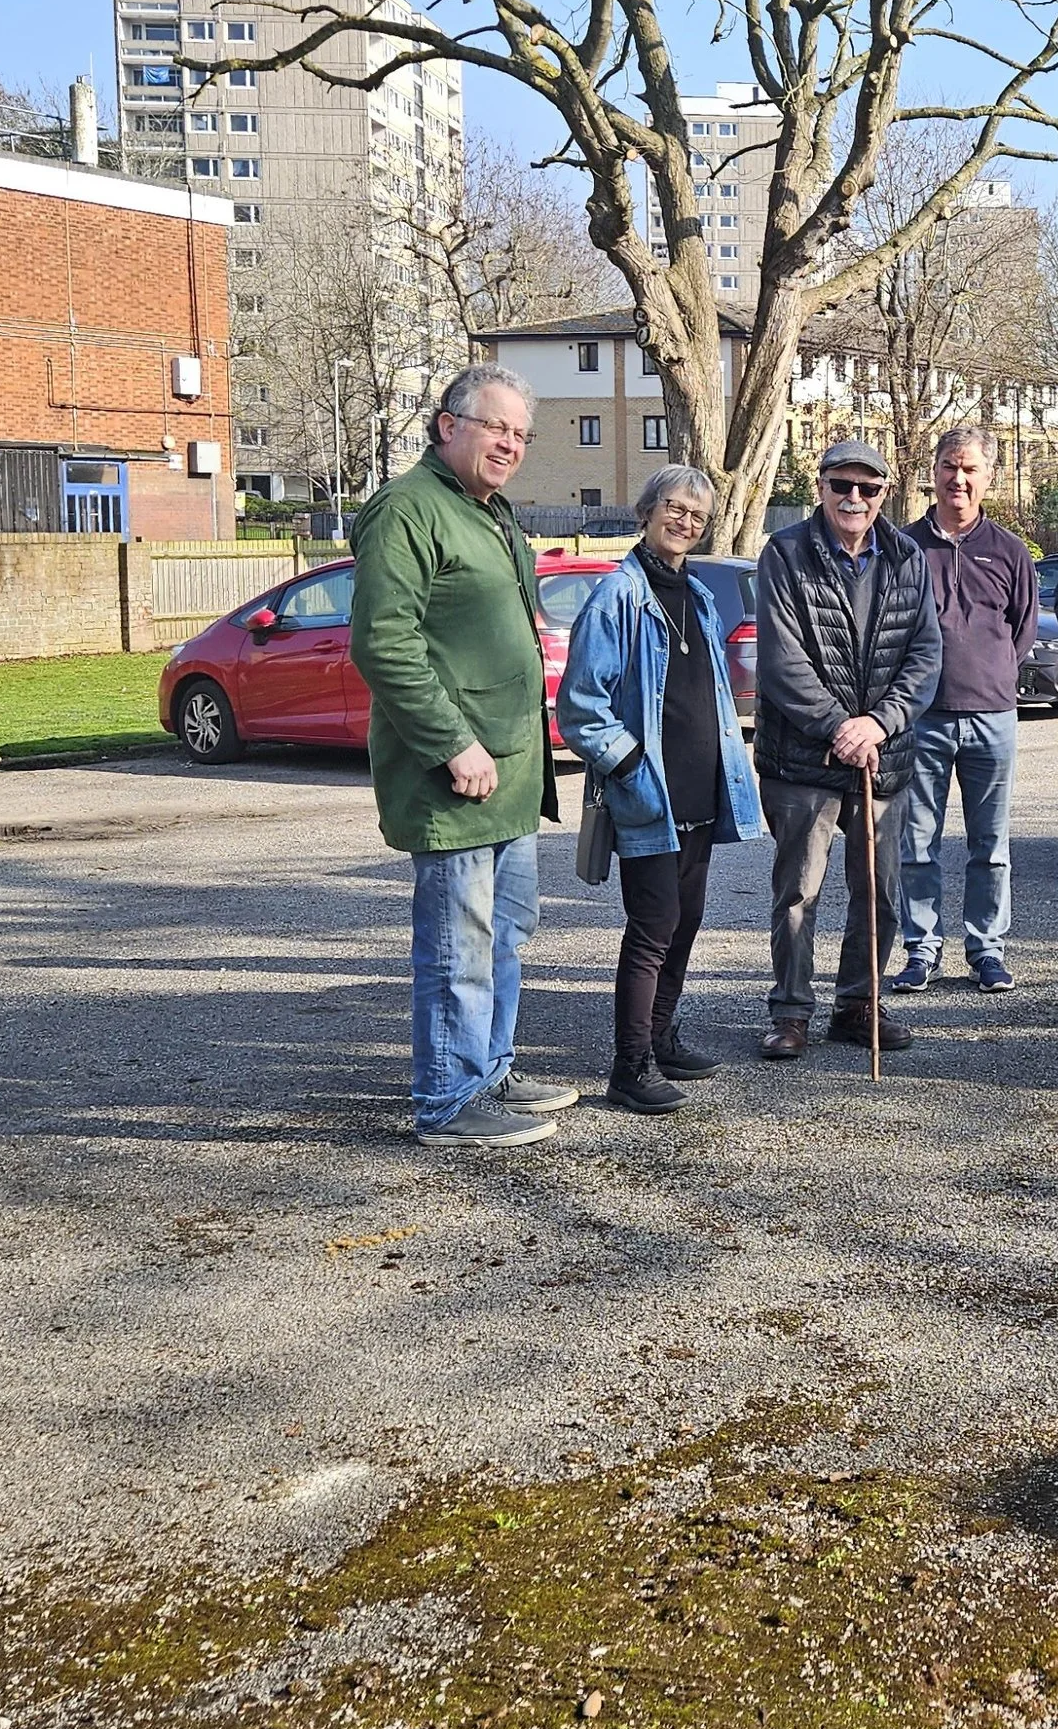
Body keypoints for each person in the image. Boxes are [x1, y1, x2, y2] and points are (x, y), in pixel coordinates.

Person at [348, 362, 571, 1150]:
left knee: (505, 934)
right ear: (449, 425)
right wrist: (452, 743)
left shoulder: (492, 511)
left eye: (520, 432)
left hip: (511, 773)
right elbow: (383, 641)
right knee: (458, 946)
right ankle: (448, 1099)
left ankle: (490, 1071)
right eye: (495, 427)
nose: (510, 443)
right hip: (456, 778)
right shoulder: (406, 511)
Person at [556, 465, 767, 1112]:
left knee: (687, 921)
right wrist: (625, 768)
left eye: (696, 516)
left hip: (701, 792)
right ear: (647, 512)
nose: (684, 522)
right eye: (673, 508)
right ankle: (631, 1065)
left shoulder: (698, 596)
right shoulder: (617, 596)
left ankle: (661, 1036)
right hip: (650, 797)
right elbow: (580, 706)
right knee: (652, 928)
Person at [752, 438, 943, 1060]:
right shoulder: (784, 553)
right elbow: (782, 663)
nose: (854, 499)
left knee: (879, 889)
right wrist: (841, 726)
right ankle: (791, 1012)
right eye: (842, 486)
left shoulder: (907, 556)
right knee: (798, 892)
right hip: (804, 758)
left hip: (883, 756)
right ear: (821, 486)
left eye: (868, 488)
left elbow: (925, 655)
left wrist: (879, 724)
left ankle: (860, 1003)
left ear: (885, 493)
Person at [895, 424, 1038, 994]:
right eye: (949, 466)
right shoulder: (903, 548)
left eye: (971, 468)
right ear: (933, 473)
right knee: (917, 843)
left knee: (991, 844)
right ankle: (921, 949)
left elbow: (1021, 630)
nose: (959, 478)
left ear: (989, 477)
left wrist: (991, 672)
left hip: (992, 718)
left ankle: (987, 949)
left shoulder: (1009, 551)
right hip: (921, 718)